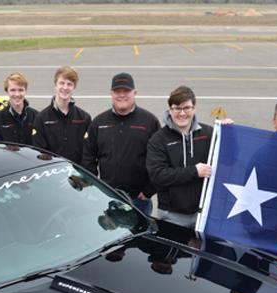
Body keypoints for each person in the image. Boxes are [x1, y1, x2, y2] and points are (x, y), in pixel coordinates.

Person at [82, 72, 160, 215]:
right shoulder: (99, 122)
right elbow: (88, 156)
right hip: (108, 197)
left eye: (126, 91)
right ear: (111, 94)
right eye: (118, 91)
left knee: (139, 238)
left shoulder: (150, 122)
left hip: (139, 200)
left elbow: (160, 159)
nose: (122, 95)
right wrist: (95, 186)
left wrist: (149, 190)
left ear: (134, 93)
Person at [145, 85, 213, 228]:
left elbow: (229, 160)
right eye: (177, 108)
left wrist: (228, 132)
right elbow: (158, 175)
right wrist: (194, 171)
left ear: (194, 108)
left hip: (203, 213)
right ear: (170, 110)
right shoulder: (158, 139)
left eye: (186, 108)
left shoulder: (209, 134)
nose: (182, 113)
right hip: (171, 215)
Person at [32, 66, 91, 163]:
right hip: (53, 175)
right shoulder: (41, 118)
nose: (65, 87)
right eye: (62, 83)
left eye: (69, 84)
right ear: (55, 84)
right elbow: (39, 153)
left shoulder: (84, 118)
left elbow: (89, 152)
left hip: (77, 175)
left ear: (74, 87)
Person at [0, 72, 38, 145]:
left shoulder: (36, 117)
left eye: (20, 90)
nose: (17, 94)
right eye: (13, 90)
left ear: (25, 91)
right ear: (7, 91)